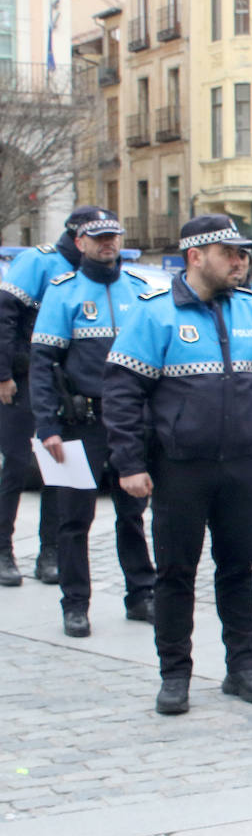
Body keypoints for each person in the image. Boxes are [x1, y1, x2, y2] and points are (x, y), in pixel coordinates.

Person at [103, 215, 252, 715]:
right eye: (229, 253)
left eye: (243, 253)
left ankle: (242, 667)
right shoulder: (155, 314)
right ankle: (175, 674)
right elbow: (123, 393)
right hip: (180, 468)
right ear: (196, 256)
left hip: (243, 467)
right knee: (175, 573)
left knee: (238, 570)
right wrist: (129, 463)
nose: (240, 261)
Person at [28, 211, 155, 638]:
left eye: (113, 237)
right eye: (98, 238)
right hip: (77, 423)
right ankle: (75, 603)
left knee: (132, 514)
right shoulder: (63, 293)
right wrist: (47, 426)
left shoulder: (139, 290)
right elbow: (43, 365)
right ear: (79, 242)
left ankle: (141, 594)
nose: (107, 245)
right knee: (73, 519)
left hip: (127, 423)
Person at [0, 207, 97, 587]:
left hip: (63, 386)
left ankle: (50, 551)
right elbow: (4, 318)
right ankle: (3, 550)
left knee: (58, 469)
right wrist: (3, 374)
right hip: (22, 380)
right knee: (16, 464)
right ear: (78, 238)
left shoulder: (91, 274)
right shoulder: (38, 262)